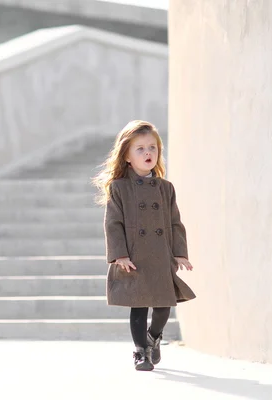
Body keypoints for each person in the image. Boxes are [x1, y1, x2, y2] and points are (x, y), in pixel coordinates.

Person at [92, 120, 196, 371]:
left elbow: (174, 222)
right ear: (126, 156)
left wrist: (180, 253)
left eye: (153, 147)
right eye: (140, 148)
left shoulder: (165, 188)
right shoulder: (119, 188)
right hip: (134, 259)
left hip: (160, 257)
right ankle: (140, 352)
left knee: (163, 307)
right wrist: (119, 255)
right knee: (138, 308)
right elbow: (113, 224)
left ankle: (153, 338)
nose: (148, 152)